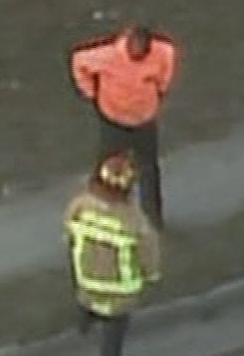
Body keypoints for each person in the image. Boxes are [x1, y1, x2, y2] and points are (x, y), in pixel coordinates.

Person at [69, 23, 180, 228]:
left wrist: (160, 88)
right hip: (114, 119)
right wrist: (89, 91)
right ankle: (96, 211)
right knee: (106, 167)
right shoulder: (107, 56)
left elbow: (167, 70)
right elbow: (79, 61)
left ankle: (153, 219)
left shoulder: (163, 52)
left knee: (148, 169)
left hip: (143, 119)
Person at [65, 152, 163, 356]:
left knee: (88, 300)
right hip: (119, 285)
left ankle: (83, 324)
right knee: (115, 323)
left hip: (86, 275)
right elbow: (148, 249)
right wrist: (152, 274)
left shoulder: (81, 204)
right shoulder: (131, 218)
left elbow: (69, 229)